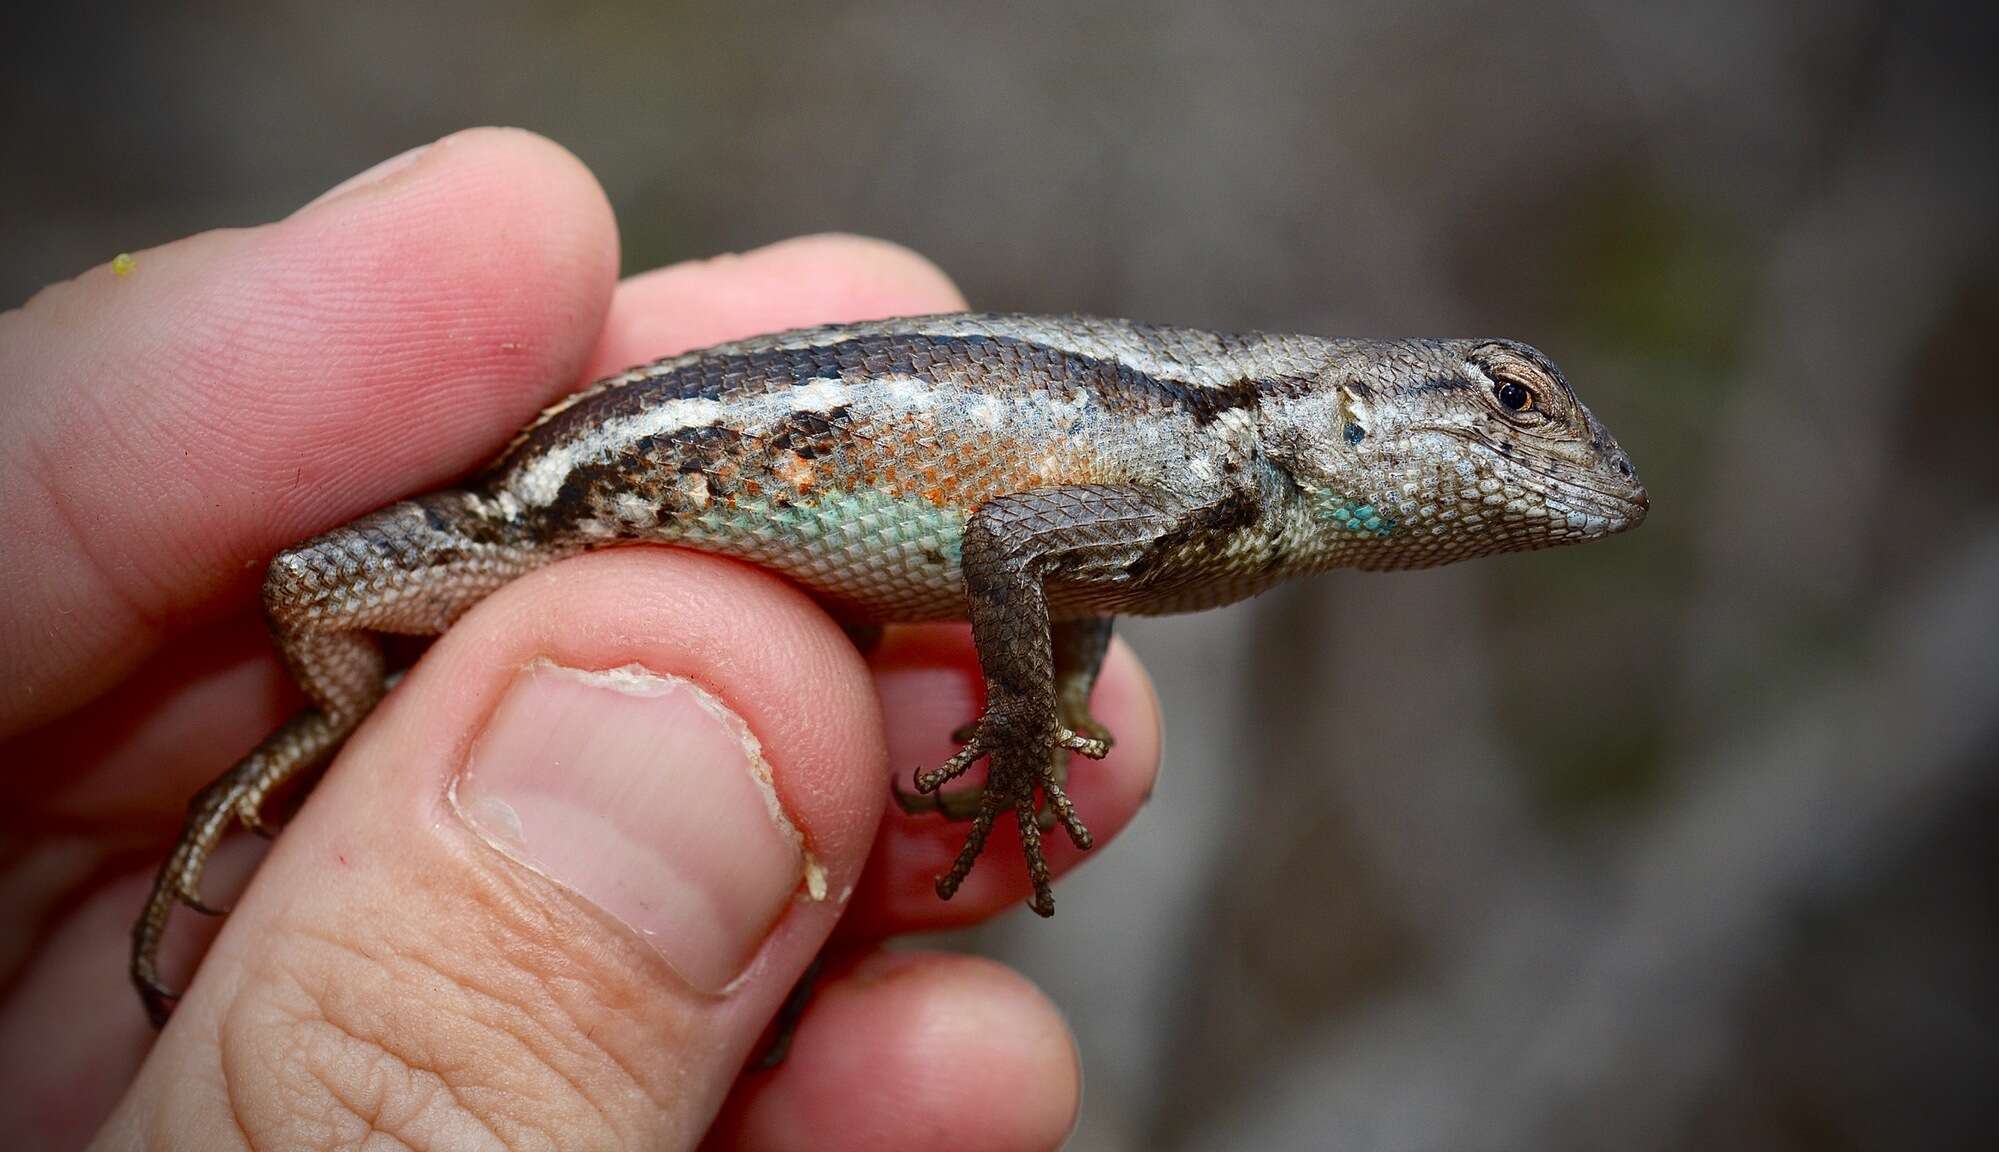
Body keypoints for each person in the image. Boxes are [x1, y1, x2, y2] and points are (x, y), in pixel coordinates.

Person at [0, 128, 1160, 1151]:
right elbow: (1034, 555)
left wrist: (1050, 707)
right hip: (546, 511)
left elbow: (1075, 573)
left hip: (786, 561)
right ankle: (348, 719)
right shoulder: (1197, 470)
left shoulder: (1183, 495)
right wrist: (336, 714)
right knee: (311, 585)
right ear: (1349, 422)